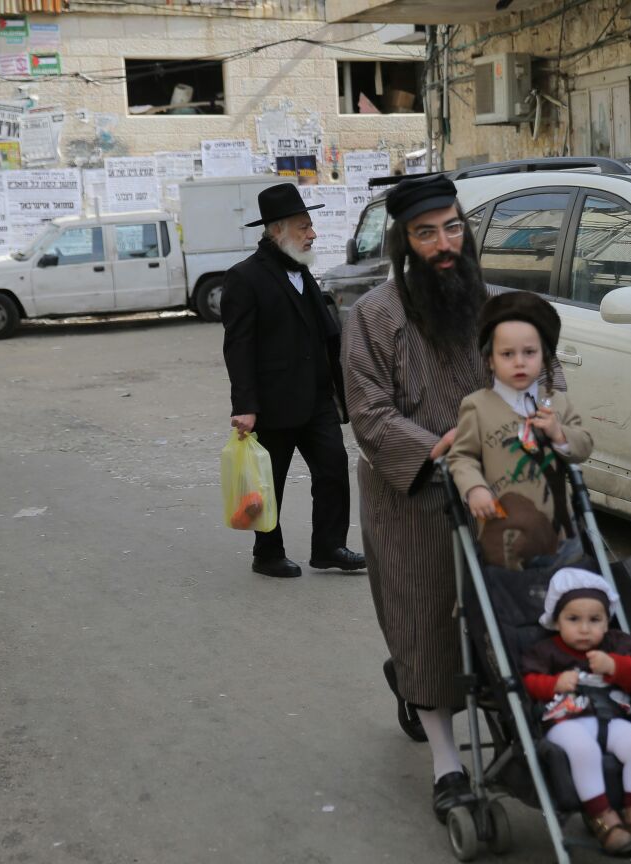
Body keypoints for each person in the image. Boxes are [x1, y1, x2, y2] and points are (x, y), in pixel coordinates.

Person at [342, 174, 499, 821]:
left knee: (507, 618)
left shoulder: (496, 306)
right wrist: (447, 453)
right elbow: (371, 417)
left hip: (496, 495)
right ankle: (447, 761)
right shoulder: (373, 317)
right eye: (427, 232)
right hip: (413, 500)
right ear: (404, 241)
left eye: (453, 228)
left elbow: (540, 374)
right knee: (426, 623)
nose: (444, 244)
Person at [221, 183, 365, 579]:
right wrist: (245, 405)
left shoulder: (302, 270)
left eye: (311, 225)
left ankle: (329, 546)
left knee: (333, 466)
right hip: (273, 402)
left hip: (317, 397)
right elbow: (238, 347)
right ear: (277, 230)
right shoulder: (245, 278)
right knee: (271, 482)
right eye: (303, 227)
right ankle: (267, 553)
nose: (312, 233)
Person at [447, 291, 593, 570]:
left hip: (562, 533)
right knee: (517, 605)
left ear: (544, 356)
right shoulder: (477, 406)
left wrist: (559, 434)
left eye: (529, 353)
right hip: (505, 533)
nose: (519, 362)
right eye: (507, 354)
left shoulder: (556, 402)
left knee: (564, 602)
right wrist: (474, 488)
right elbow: (461, 456)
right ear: (490, 360)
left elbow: (584, 444)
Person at [522, 568, 631, 855]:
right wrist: (554, 683)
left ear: (607, 623)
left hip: (611, 717)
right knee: (585, 752)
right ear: (557, 622)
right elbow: (530, 683)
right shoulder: (545, 651)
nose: (585, 628)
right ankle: (602, 816)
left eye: (595, 620)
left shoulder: (617, 645)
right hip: (565, 722)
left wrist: (615, 667)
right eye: (573, 619)